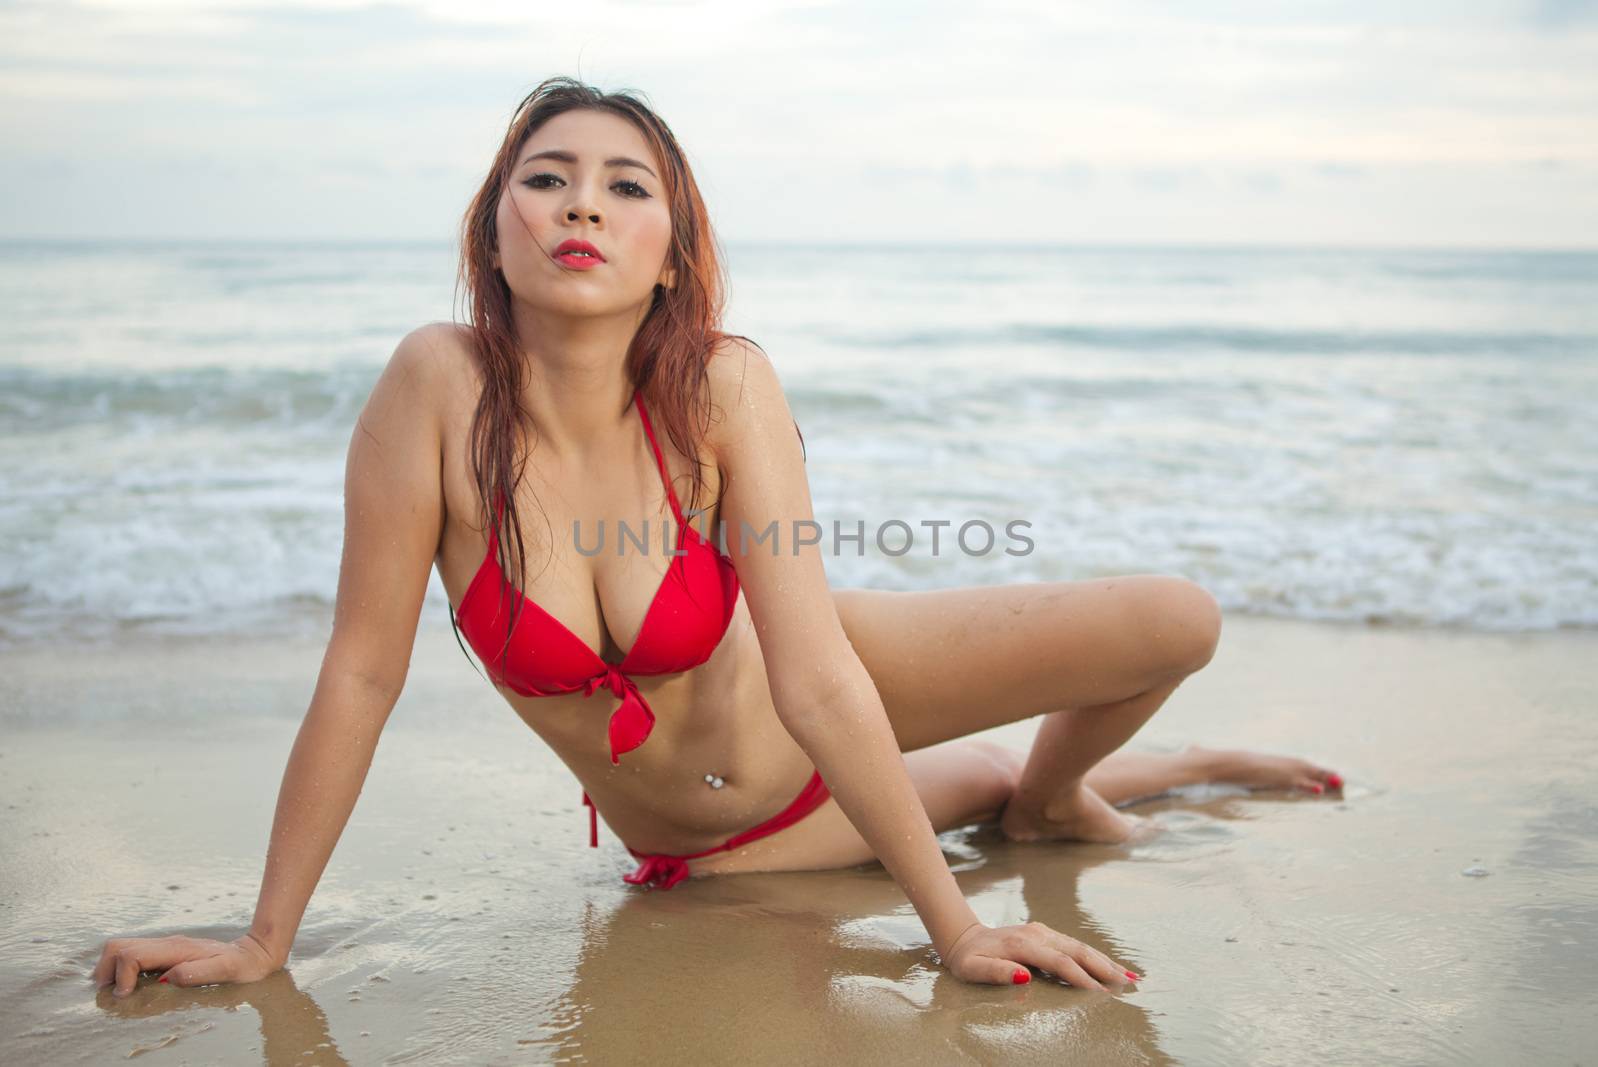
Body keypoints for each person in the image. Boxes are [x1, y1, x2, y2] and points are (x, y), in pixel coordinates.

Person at [92, 76, 1343, 997]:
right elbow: (362, 674)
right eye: (547, 177)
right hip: (747, 844)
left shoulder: (723, 385)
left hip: (824, 684)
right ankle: (1084, 791)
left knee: (1176, 620)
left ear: (671, 251)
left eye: (625, 186)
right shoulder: (434, 387)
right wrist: (267, 937)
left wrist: (957, 930)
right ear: (492, 227)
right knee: (992, 789)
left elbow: (814, 675)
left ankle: (1078, 790)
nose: (581, 203)